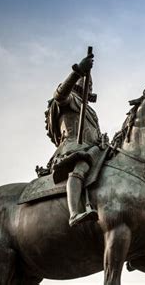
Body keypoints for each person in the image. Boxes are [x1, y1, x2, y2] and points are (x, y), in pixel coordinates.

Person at [44, 53, 102, 226]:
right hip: (74, 147)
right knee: (81, 166)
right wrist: (77, 72)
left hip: (93, 149)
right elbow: (59, 95)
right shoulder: (68, 100)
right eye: (85, 81)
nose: (89, 85)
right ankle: (74, 213)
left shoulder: (91, 111)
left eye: (90, 83)